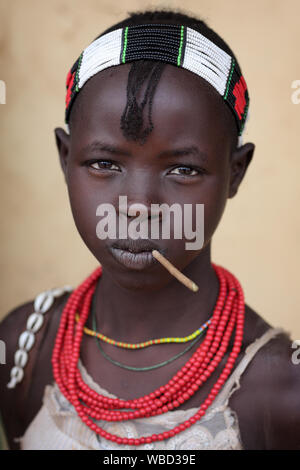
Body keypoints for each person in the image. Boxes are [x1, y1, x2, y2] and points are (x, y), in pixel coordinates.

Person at [0, 8, 299, 451]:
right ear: (65, 159)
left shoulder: (280, 393)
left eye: (182, 169)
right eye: (104, 164)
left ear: (236, 172)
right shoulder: (25, 350)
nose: (137, 206)